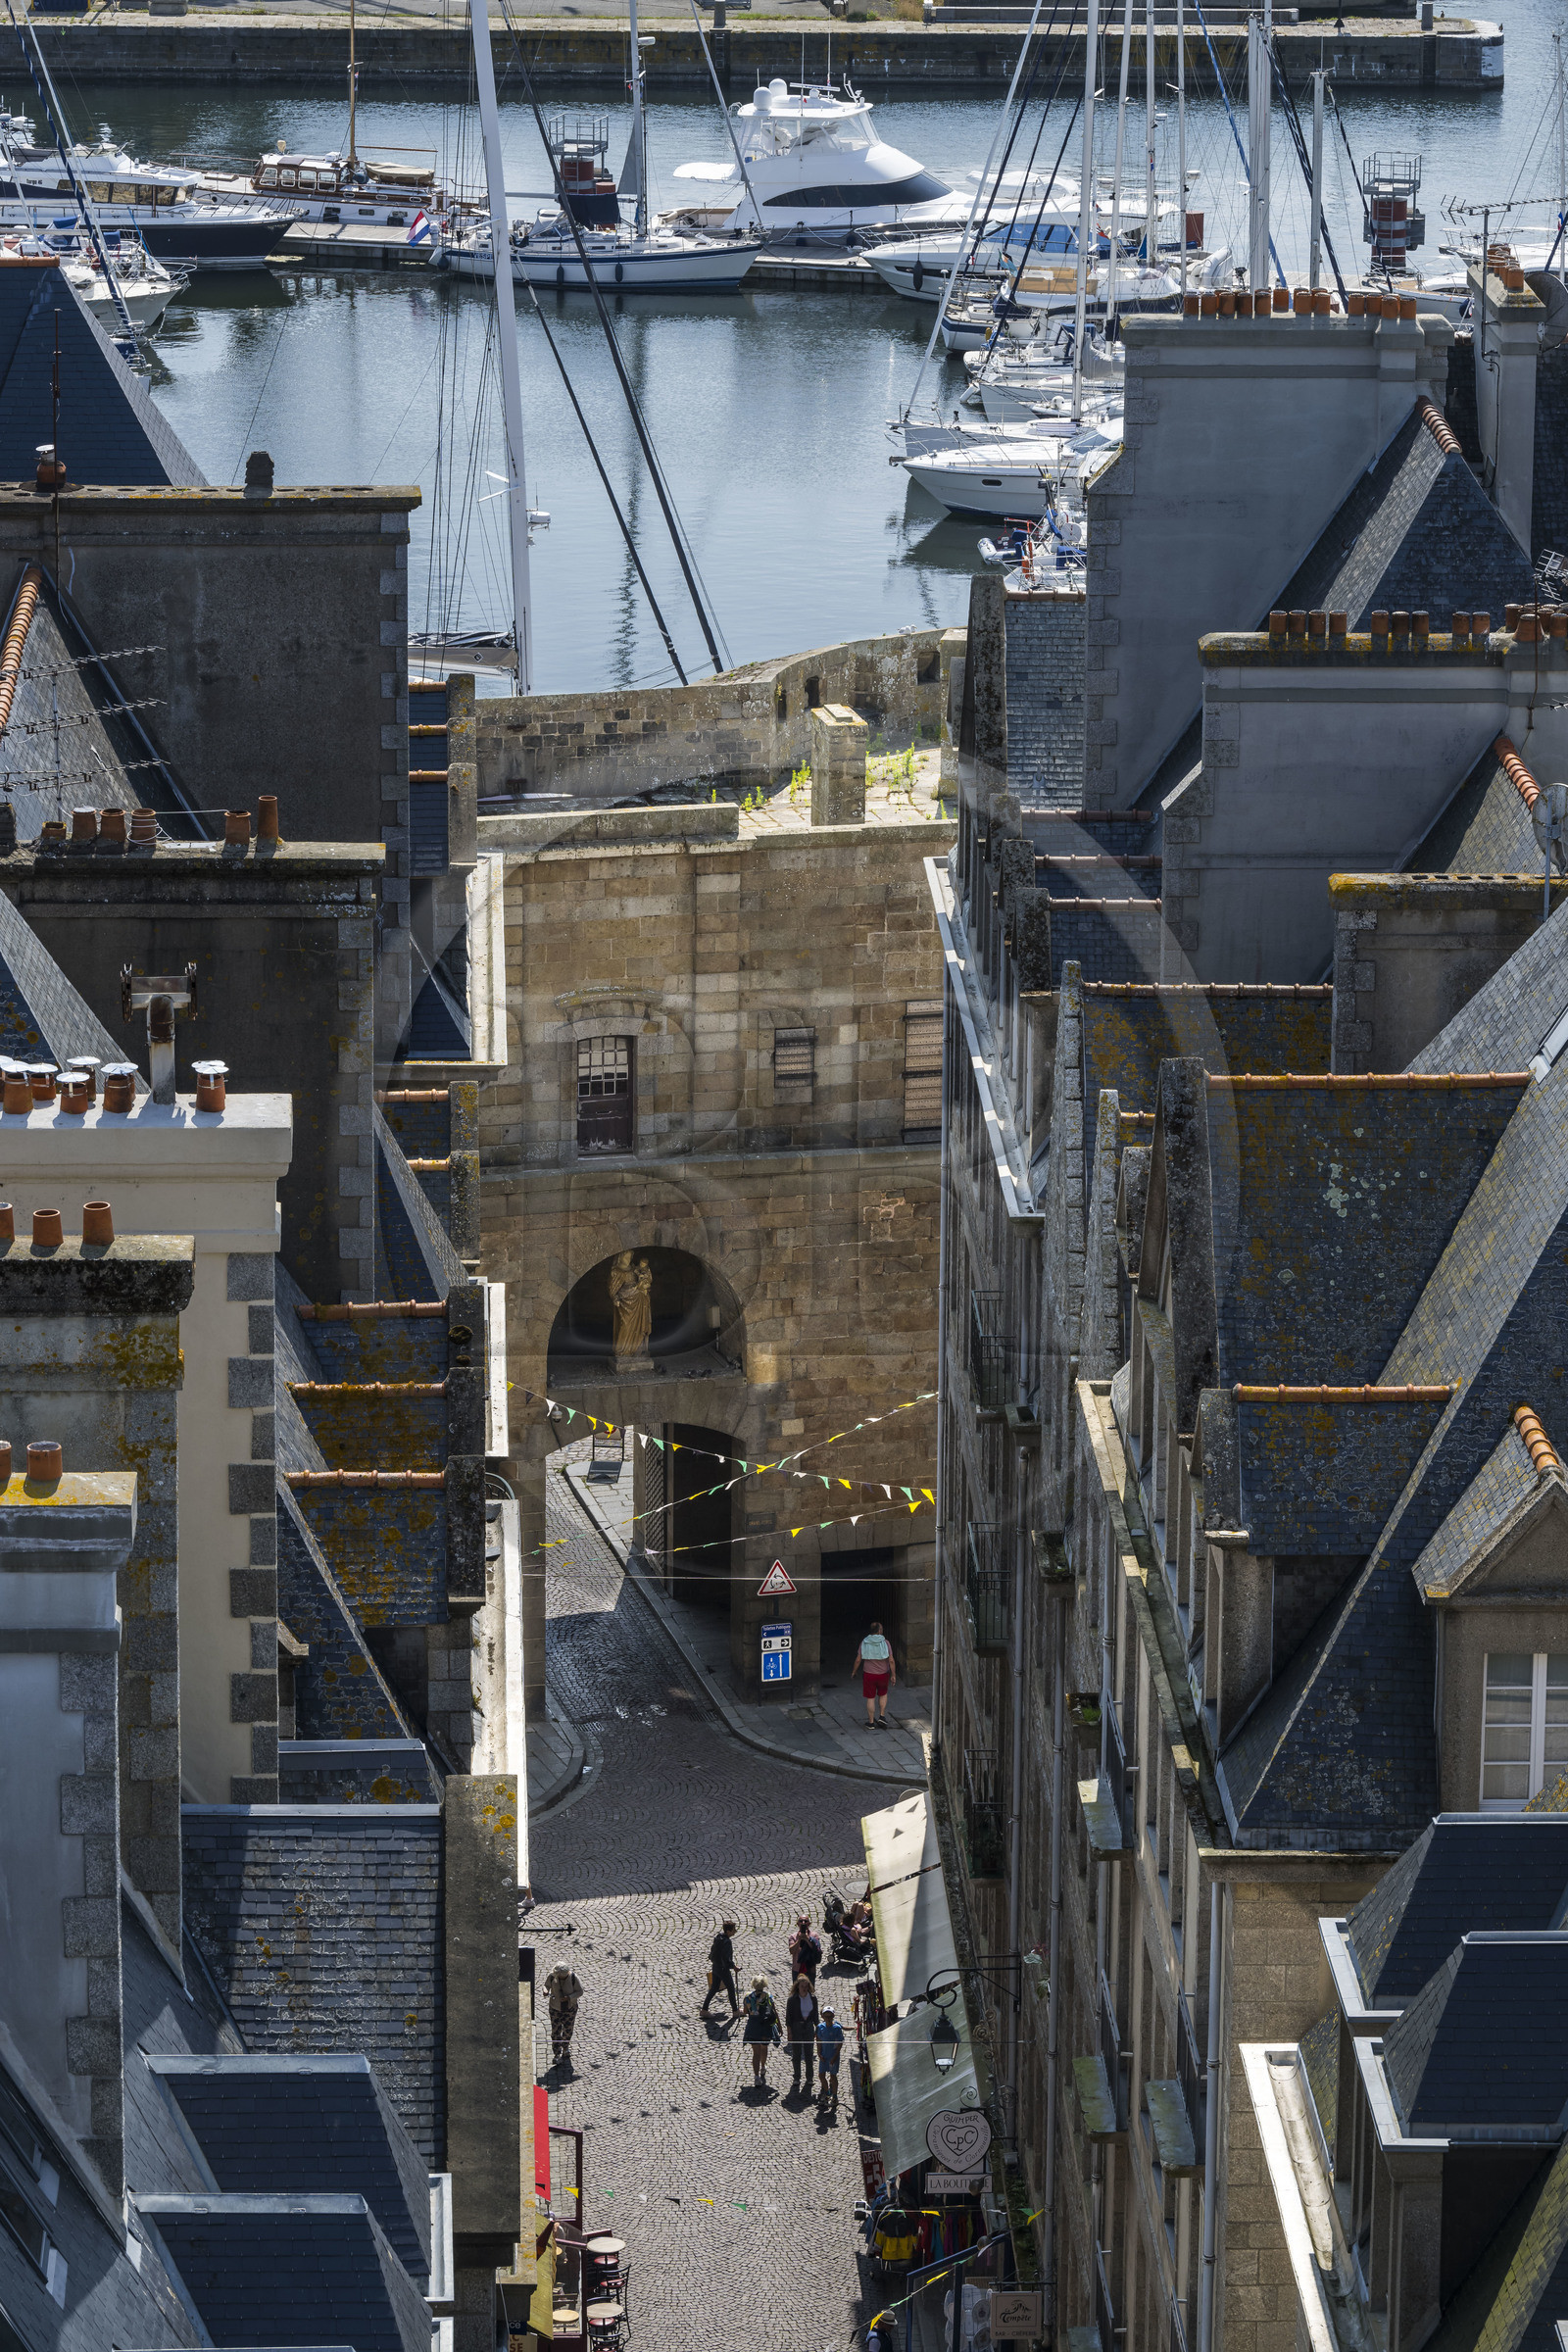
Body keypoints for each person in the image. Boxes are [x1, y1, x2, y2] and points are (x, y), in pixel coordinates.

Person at [852, 1621, 897, 1727]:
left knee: (870, 1698)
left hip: (869, 1675)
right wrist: (893, 1674)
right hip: (883, 1674)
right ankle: (881, 1715)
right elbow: (891, 1660)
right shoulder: (886, 1643)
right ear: (879, 1631)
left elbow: (858, 1659)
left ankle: (871, 1722)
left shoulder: (864, 1642)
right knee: (883, 1694)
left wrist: (854, 1671)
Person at [742, 1973, 780, 2087]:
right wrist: (780, 2026)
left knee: (755, 2053)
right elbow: (774, 2011)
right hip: (765, 2026)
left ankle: (756, 2077)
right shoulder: (768, 1996)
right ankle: (763, 2067)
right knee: (764, 2047)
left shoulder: (748, 1997)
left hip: (753, 2025)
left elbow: (744, 2012)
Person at [785, 1971, 817, 2096]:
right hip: (796, 2027)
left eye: (806, 1986)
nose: (804, 1989)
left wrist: (817, 2029)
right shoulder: (792, 2000)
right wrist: (789, 2032)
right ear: (797, 1986)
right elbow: (788, 2017)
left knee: (809, 2054)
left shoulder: (813, 1999)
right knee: (797, 2054)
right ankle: (797, 2077)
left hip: (808, 2026)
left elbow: (815, 2016)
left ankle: (809, 2078)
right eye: (802, 1986)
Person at [544, 1963, 583, 2066]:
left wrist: (569, 1997)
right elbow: (547, 1985)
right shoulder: (552, 1976)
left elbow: (580, 1992)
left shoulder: (573, 1978)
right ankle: (556, 2054)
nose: (559, 1977)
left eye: (561, 1976)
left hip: (569, 2009)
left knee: (568, 2030)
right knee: (555, 2031)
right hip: (555, 2008)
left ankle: (565, 2048)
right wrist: (545, 1990)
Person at [701, 1918, 739, 2019]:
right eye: (733, 1929)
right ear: (728, 1931)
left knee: (714, 1988)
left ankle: (704, 2010)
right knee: (731, 1988)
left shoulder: (718, 1937)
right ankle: (735, 2011)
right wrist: (734, 1967)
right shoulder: (727, 1942)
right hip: (723, 1969)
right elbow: (726, 1958)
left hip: (715, 1967)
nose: (735, 1931)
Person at [816, 2003, 846, 2111]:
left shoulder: (837, 2028)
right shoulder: (820, 2027)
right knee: (821, 2075)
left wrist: (835, 2057)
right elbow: (818, 2040)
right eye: (826, 2016)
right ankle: (827, 2092)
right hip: (824, 2056)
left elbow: (839, 2043)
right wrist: (819, 2053)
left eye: (830, 2016)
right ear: (823, 2017)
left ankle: (835, 2096)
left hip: (833, 2056)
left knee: (833, 2077)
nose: (828, 2018)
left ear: (833, 2016)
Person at [789, 1911, 822, 1985]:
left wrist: (807, 1939)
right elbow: (791, 1951)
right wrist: (799, 1940)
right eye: (801, 1921)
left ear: (809, 1924)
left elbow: (816, 1949)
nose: (803, 1923)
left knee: (810, 1991)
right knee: (796, 1992)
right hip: (797, 1969)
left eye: (805, 1921)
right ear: (798, 1924)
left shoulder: (814, 1936)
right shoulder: (793, 1937)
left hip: (810, 1968)